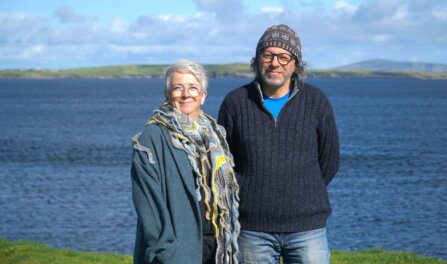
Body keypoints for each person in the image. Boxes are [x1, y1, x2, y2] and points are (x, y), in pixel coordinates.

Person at [218, 24, 340, 264]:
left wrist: (303, 190)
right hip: (252, 229)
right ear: (258, 60)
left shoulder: (317, 101)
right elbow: (223, 162)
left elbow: (329, 160)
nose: (275, 63)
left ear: (296, 64)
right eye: (268, 55)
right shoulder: (235, 102)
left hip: (307, 229)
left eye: (284, 56)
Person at [131, 60, 240, 264]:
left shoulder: (216, 136)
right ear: (168, 95)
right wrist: (166, 251)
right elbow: (148, 204)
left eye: (193, 88)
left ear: (203, 96)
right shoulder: (152, 138)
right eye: (177, 88)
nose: (185, 94)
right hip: (178, 252)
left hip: (217, 248)